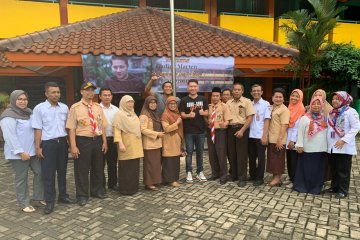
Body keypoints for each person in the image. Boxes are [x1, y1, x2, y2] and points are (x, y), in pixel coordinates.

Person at [32, 82, 76, 215]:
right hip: (48, 144)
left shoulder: (64, 108)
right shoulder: (39, 108)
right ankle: (50, 201)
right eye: (53, 92)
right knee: (48, 174)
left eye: (58, 92)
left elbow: (68, 128)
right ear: (46, 93)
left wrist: (70, 143)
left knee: (62, 172)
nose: (56, 94)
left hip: (62, 143)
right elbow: (38, 128)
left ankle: (63, 196)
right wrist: (38, 147)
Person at [0, 90, 44, 213]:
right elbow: (9, 136)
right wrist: (20, 152)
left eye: (25, 99)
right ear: (14, 100)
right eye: (20, 99)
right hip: (19, 154)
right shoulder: (8, 116)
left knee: (40, 172)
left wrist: (37, 146)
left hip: (33, 151)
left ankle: (38, 197)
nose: (23, 101)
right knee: (21, 178)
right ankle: (24, 202)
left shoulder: (29, 113)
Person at [66, 82, 108, 206]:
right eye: (87, 90)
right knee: (82, 170)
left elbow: (102, 126)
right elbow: (71, 128)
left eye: (92, 90)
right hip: (83, 141)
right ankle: (82, 195)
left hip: (97, 140)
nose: (90, 93)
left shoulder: (97, 107)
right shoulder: (75, 108)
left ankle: (96, 190)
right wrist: (73, 146)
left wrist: (104, 141)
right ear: (81, 92)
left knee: (98, 167)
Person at [324, 91, 360, 199]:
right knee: (334, 168)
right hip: (332, 146)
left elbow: (355, 128)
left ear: (344, 100)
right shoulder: (331, 112)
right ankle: (334, 187)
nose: (334, 100)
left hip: (343, 147)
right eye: (333, 98)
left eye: (337, 99)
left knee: (343, 169)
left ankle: (343, 190)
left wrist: (344, 140)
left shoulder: (351, 112)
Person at [294, 96, 328, 194]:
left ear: (322, 105)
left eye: (318, 103)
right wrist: (299, 145)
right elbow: (300, 132)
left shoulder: (325, 118)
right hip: (307, 148)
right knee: (307, 169)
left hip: (321, 149)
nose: (316, 106)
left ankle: (315, 188)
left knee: (318, 170)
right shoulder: (305, 118)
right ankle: (303, 187)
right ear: (310, 105)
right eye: (314, 103)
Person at [113, 95, 144, 195]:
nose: (131, 104)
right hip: (126, 145)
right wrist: (120, 143)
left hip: (136, 145)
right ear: (123, 103)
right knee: (125, 168)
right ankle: (125, 189)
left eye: (132, 102)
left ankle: (133, 188)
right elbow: (116, 131)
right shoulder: (120, 114)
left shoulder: (134, 114)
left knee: (134, 168)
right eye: (128, 102)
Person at [179, 79, 209, 183]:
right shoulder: (184, 100)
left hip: (200, 131)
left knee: (200, 153)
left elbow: (207, 112)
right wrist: (188, 115)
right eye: (191, 86)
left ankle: (200, 172)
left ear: (198, 87)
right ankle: (189, 172)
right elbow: (181, 114)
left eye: (194, 86)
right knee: (190, 152)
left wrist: (203, 113)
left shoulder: (203, 99)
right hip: (188, 131)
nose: (193, 88)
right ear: (188, 87)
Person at [226, 82, 255, 187]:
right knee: (231, 153)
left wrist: (242, 130)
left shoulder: (247, 102)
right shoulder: (228, 103)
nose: (236, 91)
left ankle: (242, 177)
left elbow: (250, 117)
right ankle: (234, 175)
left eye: (239, 89)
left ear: (242, 91)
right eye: (234, 89)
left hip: (242, 129)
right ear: (232, 91)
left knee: (241, 155)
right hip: (230, 129)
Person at [206, 87, 232, 185]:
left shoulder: (224, 106)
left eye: (217, 96)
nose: (215, 97)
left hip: (220, 132)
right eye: (213, 95)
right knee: (212, 154)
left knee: (221, 154)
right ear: (211, 96)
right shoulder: (209, 106)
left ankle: (223, 175)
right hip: (210, 132)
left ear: (220, 96)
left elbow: (228, 119)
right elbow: (206, 119)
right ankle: (215, 173)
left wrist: (224, 124)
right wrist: (207, 121)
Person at [248, 84, 271, 186]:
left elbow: (267, 120)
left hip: (260, 135)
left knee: (261, 158)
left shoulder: (266, 104)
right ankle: (252, 175)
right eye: (254, 91)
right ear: (251, 92)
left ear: (262, 92)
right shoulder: (249, 104)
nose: (256, 92)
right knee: (251, 157)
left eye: (258, 91)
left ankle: (259, 178)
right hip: (250, 135)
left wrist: (265, 135)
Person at [266, 88, 290, 187]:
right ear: (272, 98)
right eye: (276, 97)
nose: (278, 99)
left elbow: (284, 125)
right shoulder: (271, 108)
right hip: (271, 138)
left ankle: (277, 179)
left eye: (280, 97)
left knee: (278, 159)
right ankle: (275, 177)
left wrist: (280, 139)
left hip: (279, 139)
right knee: (272, 158)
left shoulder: (284, 110)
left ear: (283, 99)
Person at [140, 96, 164, 190]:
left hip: (157, 143)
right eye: (151, 103)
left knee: (156, 164)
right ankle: (149, 183)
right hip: (149, 144)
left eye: (155, 102)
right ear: (147, 104)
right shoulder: (144, 115)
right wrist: (157, 134)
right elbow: (143, 129)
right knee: (149, 164)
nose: (153, 104)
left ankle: (155, 180)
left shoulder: (155, 114)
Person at [99, 88, 119, 191]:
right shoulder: (97, 108)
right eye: (104, 95)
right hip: (100, 140)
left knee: (112, 163)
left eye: (109, 95)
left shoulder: (116, 109)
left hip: (112, 139)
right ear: (100, 96)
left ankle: (113, 184)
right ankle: (101, 185)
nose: (107, 97)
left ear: (111, 96)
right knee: (100, 164)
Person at [161, 96, 184, 187]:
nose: (173, 105)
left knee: (175, 160)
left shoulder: (177, 113)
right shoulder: (165, 114)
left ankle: (174, 179)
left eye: (174, 104)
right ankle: (170, 180)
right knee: (169, 161)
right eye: (171, 104)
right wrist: (177, 123)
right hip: (169, 140)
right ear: (167, 105)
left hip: (176, 140)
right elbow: (166, 129)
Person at [285, 89, 305, 188]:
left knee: (294, 161)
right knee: (289, 160)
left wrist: (292, 140)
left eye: (297, 96)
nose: (294, 98)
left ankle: (295, 181)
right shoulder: (290, 107)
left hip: (294, 139)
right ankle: (291, 178)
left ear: (300, 98)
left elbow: (297, 127)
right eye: (293, 95)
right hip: (288, 138)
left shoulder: (301, 109)